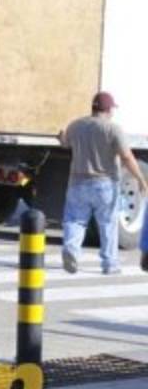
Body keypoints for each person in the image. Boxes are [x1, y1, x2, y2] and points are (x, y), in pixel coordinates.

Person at [59, 92, 147, 275]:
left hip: (77, 183)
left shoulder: (76, 125)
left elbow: (65, 143)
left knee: (75, 220)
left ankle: (71, 250)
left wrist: (61, 137)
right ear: (108, 109)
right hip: (105, 184)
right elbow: (127, 157)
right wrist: (140, 179)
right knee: (107, 224)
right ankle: (110, 264)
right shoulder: (113, 129)